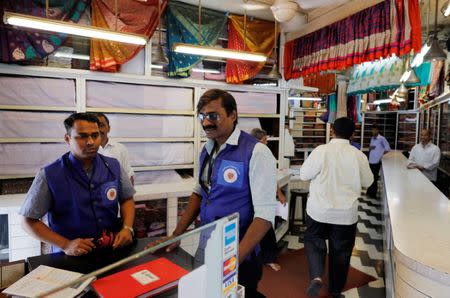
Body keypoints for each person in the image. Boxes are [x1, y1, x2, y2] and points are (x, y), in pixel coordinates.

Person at [164, 89, 277, 297]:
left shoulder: (256, 152)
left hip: (239, 253)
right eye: (202, 117)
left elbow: (264, 216)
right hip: (206, 245)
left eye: (213, 116)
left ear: (233, 115)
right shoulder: (207, 150)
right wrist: (176, 235)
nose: (206, 122)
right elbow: (199, 192)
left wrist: (231, 262)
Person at [19, 113, 136, 256]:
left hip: (110, 249)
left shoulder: (113, 166)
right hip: (69, 255)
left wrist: (127, 228)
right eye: (82, 136)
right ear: (67, 139)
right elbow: (28, 220)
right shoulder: (50, 174)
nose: (91, 142)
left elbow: (127, 198)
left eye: (95, 135)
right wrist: (66, 244)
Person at [300, 117, 373, 298]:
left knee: (314, 241)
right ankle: (335, 290)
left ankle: (316, 277)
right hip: (345, 214)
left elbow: (304, 175)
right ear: (353, 135)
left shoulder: (321, 151)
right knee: (341, 251)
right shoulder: (358, 155)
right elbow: (368, 181)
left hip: (318, 210)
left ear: (332, 130)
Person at [250, 128, 286, 272]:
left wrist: (279, 193)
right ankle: (267, 258)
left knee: (266, 229)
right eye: (265, 140)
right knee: (264, 229)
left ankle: (268, 258)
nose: (266, 143)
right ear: (260, 140)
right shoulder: (258, 153)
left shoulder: (262, 154)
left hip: (262, 197)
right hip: (257, 198)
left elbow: (271, 175)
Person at [95, 112, 135, 185]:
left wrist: (129, 195)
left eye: (101, 125)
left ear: (108, 128)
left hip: (117, 194)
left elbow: (128, 175)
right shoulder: (87, 150)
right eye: (95, 126)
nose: (99, 129)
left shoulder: (121, 149)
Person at [366, 125, 390, 198]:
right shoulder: (372, 138)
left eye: (375, 130)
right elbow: (370, 148)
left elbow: (388, 148)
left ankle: (373, 194)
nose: (373, 131)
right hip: (371, 160)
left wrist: (380, 155)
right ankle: (369, 192)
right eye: (372, 130)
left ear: (378, 130)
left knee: (374, 177)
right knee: (370, 177)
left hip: (377, 162)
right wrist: (370, 148)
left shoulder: (382, 139)